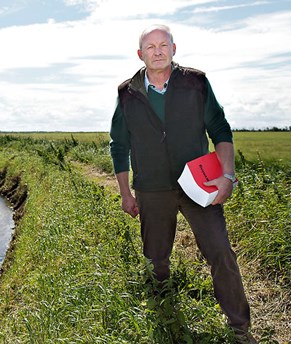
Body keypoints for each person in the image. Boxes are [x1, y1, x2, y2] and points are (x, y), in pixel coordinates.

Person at [109, 24, 256, 344]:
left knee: (221, 252)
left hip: (198, 185)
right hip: (152, 189)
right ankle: (164, 310)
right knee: (156, 257)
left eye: (164, 45)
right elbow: (119, 145)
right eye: (150, 47)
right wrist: (125, 192)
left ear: (174, 49)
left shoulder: (196, 82)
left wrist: (227, 176)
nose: (157, 51)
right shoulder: (127, 92)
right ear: (140, 54)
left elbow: (220, 129)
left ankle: (240, 328)